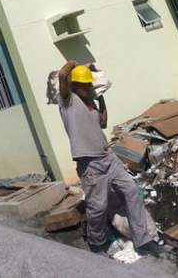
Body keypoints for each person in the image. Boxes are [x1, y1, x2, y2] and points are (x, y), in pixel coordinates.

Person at [57, 60, 156, 254]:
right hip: (90, 163)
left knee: (132, 191)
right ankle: (97, 243)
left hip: (108, 157)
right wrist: (76, 64)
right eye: (83, 85)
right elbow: (62, 76)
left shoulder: (90, 102)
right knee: (98, 207)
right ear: (74, 85)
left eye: (88, 84)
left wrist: (100, 97)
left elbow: (103, 122)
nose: (87, 87)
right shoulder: (68, 102)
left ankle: (143, 240)